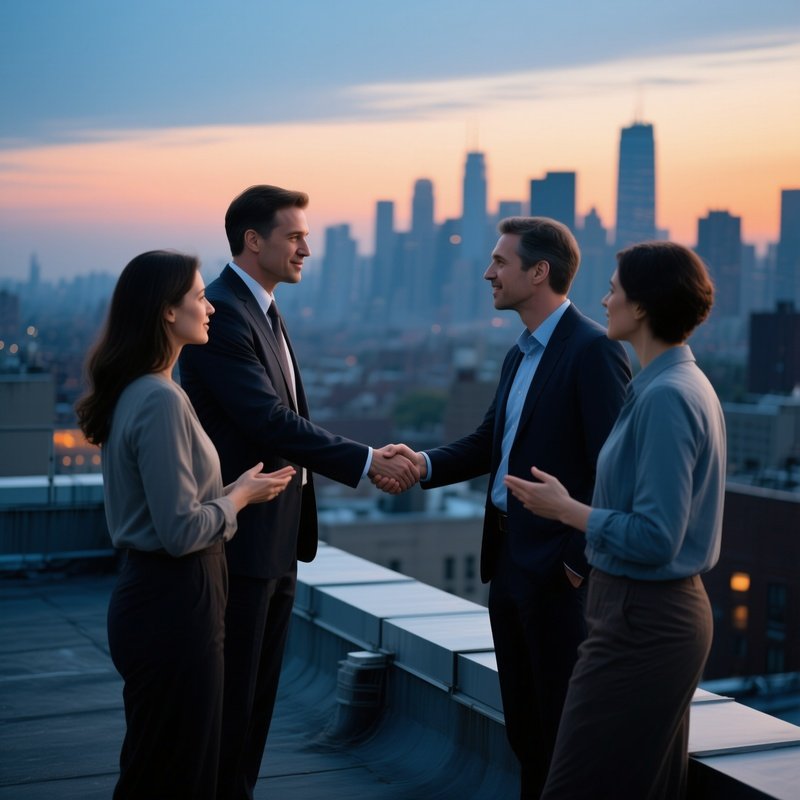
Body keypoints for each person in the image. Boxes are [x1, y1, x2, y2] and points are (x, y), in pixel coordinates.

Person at [178, 184, 419, 800]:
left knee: (254, 704)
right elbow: (268, 422)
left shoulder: (262, 307)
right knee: (232, 706)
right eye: (295, 235)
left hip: (275, 542)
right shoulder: (225, 311)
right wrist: (367, 461)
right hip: (241, 542)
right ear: (253, 241)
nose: (307, 248)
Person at [382, 217, 631, 798]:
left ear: (539, 272)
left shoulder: (593, 350)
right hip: (509, 561)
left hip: (556, 573)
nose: (489, 273)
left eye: (500, 262)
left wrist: (574, 565)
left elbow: (613, 471)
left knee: (559, 729)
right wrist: (421, 464)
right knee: (524, 726)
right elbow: (490, 443)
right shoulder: (521, 354)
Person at [505, 241, 726, 799]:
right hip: (641, 612)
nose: (603, 300)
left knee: (574, 785)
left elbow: (656, 536)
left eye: (614, 289)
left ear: (644, 306)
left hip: (644, 617)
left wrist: (567, 511)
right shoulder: (662, 385)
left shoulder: (668, 396)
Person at [75, 250, 295, 800]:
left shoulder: (143, 391)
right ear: (167, 312)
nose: (210, 308)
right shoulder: (160, 399)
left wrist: (229, 492)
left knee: (162, 759)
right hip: (174, 598)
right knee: (177, 770)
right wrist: (240, 497)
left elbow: (167, 509)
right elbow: (178, 532)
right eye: (199, 297)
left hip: (164, 596)